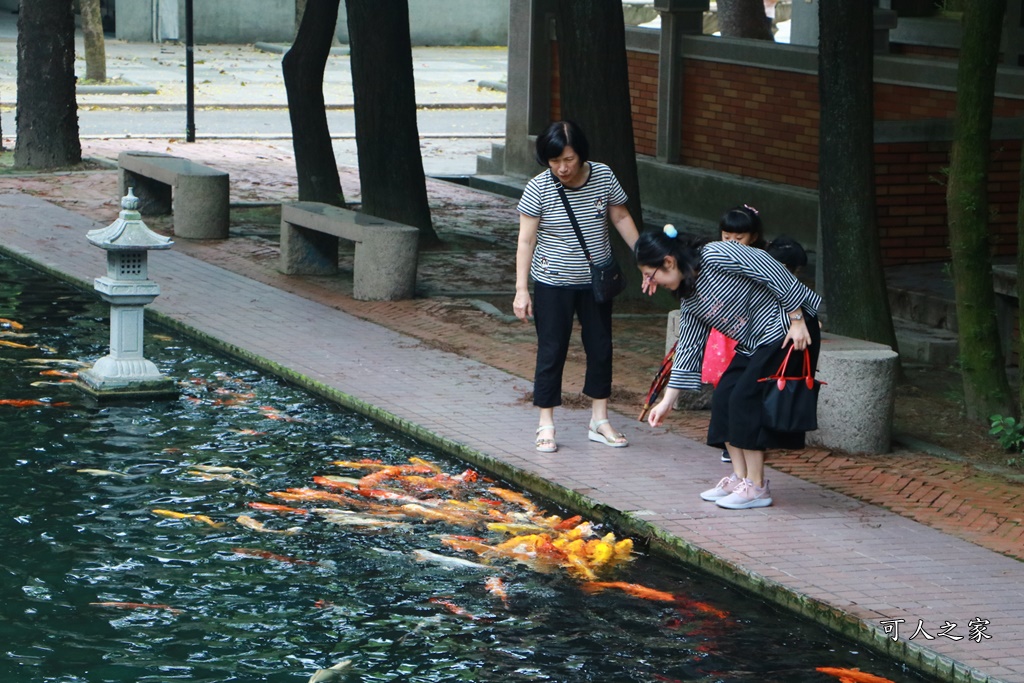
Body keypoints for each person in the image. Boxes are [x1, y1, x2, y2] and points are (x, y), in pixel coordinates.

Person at [635, 217, 822, 510]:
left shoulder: (716, 254)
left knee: (745, 398)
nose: (650, 283)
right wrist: (667, 401)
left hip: (788, 327)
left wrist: (797, 318)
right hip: (757, 339)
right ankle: (740, 478)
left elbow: (770, 267)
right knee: (724, 397)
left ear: (668, 262)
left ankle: (757, 486)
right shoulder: (690, 297)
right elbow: (688, 347)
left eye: (650, 275)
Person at [514, 120, 640, 453]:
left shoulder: (603, 176)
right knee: (551, 349)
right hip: (552, 283)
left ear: (581, 154)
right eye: (554, 161)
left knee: (600, 346)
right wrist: (521, 289)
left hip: (595, 281)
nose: (562, 168)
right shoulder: (539, 187)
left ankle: (599, 419)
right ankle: (546, 423)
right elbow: (526, 240)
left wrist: (644, 259)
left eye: (568, 159)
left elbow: (621, 217)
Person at [702, 205, 767, 463]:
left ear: (753, 237)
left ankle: (745, 443)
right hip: (724, 330)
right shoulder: (714, 259)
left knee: (744, 390)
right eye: (726, 236)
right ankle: (728, 442)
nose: (731, 242)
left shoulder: (762, 260)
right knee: (724, 385)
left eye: (738, 238)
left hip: (751, 332)